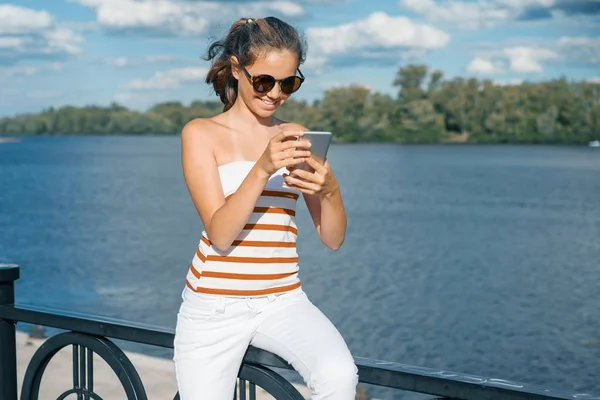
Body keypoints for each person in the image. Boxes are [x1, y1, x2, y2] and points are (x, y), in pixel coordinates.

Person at [173, 16, 358, 400]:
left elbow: (333, 239)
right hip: (215, 307)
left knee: (339, 377)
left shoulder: (295, 135)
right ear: (238, 69)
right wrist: (262, 168)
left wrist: (331, 190)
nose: (275, 94)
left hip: (283, 299)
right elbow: (221, 235)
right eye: (264, 81)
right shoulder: (201, 133)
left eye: (289, 83)